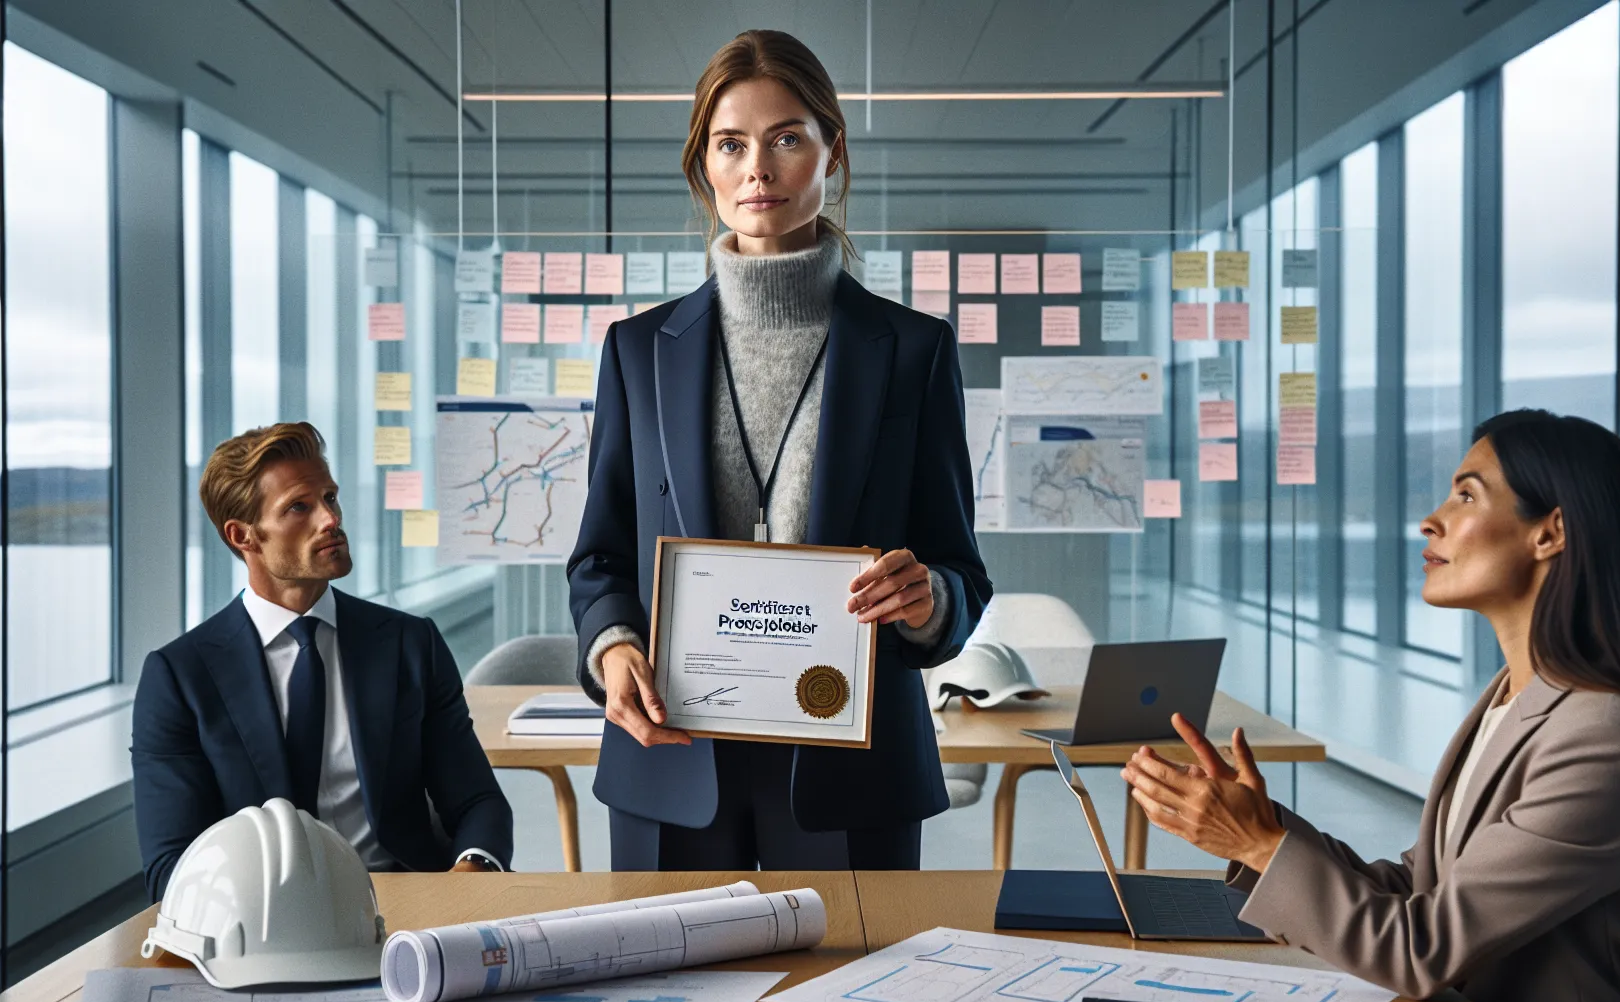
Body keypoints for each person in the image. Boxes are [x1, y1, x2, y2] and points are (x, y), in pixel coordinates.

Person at [1121, 410, 1620, 1002]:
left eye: (1467, 494)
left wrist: (1259, 842)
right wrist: (1262, 830)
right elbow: (1422, 888)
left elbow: (1422, 948)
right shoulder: (1515, 700)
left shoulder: (1604, 743)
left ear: (1550, 534)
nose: (1430, 520)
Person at [567, 29, 991, 872]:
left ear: (831, 150)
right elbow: (601, 558)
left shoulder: (914, 351)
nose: (758, 168)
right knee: (669, 1001)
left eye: (787, 137)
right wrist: (612, 646)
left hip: (852, 760)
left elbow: (958, 573)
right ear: (705, 167)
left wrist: (926, 599)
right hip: (672, 751)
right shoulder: (637, 351)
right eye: (731, 144)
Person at [132, 423, 513, 900]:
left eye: (330, 498)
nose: (330, 519)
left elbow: (477, 801)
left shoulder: (409, 643)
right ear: (243, 535)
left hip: (410, 903)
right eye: (299, 507)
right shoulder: (178, 678)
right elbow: (172, 867)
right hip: (266, 921)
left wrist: (470, 876)